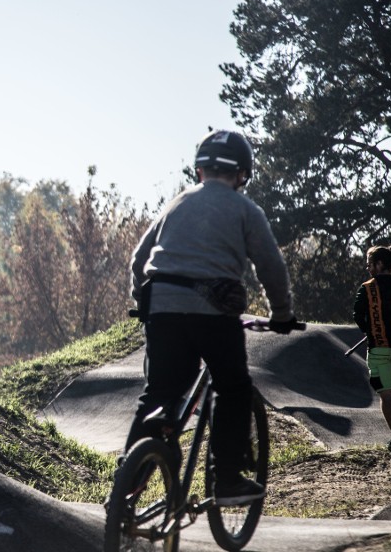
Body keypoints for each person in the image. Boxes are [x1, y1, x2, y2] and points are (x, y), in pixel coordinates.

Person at [126, 129, 298, 506]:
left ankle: (126, 487)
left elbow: (140, 259)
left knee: (158, 392)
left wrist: (144, 302)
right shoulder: (246, 210)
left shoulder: (177, 202)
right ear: (242, 175)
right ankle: (228, 480)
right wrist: (282, 314)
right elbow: (271, 266)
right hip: (214, 313)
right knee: (233, 389)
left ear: (200, 170)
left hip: (163, 306)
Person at [353, 244, 391, 455]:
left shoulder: (367, 288)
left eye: (370, 264)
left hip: (378, 349)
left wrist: (369, 331)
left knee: (386, 395)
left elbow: (358, 315)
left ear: (380, 264)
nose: (368, 268)